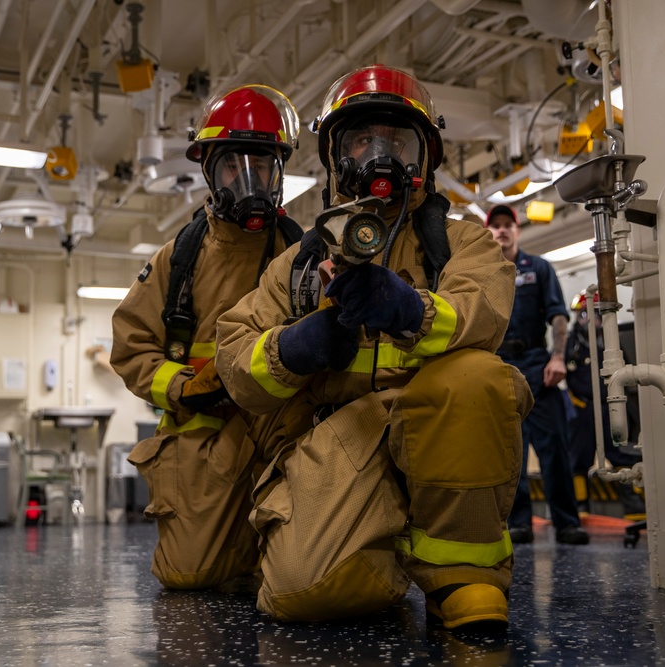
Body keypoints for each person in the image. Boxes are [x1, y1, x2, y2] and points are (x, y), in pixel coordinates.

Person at [215, 64, 533, 629]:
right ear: (337, 157)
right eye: (362, 139)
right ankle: (383, 550)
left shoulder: (461, 242)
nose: (379, 153)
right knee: (303, 594)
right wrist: (300, 345)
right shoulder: (299, 265)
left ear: (425, 157)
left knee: (478, 377)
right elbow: (236, 363)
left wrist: (410, 309)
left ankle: (463, 576)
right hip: (348, 433)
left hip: (438, 419)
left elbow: (483, 315)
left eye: (397, 139)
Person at [110, 85, 313, 590]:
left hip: (283, 429)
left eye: (262, 165)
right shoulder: (177, 259)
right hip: (206, 432)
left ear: (278, 171)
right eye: (232, 166)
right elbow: (131, 348)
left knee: (306, 574)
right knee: (189, 574)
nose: (249, 179)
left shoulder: (303, 251)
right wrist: (181, 386)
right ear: (210, 170)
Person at [485, 204, 589, 545]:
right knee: (507, 451)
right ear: (489, 232)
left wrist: (558, 358)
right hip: (497, 367)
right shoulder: (481, 274)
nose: (501, 230)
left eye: (507, 225)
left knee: (555, 448)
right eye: (495, 225)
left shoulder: (538, 268)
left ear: (517, 231)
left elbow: (559, 316)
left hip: (536, 364)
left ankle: (567, 523)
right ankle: (518, 523)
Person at [565, 290, 645, 518]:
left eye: (595, 315)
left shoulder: (610, 343)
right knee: (579, 460)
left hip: (609, 407)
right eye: (584, 315)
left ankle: (633, 507)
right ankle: (580, 507)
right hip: (582, 410)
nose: (590, 320)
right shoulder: (572, 344)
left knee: (619, 454)